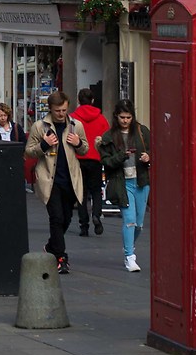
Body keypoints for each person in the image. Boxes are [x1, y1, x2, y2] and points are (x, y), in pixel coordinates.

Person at [24, 90, 92, 275]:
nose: (61, 114)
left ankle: (51, 246)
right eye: (57, 111)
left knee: (68, 218)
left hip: (71, 180)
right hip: (49, 179)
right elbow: (29, 151)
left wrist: (78, 143)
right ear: (50, 110)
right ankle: (60, 257)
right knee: (56, 218)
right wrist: (44, 145)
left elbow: (85, 149)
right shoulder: (40, 127)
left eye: (63, 110)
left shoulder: (75, 126)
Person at [103, 103, 153, 272]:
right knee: (129, 220)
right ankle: (129, 256)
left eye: (128, 117)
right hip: (122, 182)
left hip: (141, 181)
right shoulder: (109, 136)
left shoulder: (142, 131)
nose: (125, 121)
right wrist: (121, 156)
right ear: (116, 116)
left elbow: (156, 149)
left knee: (138, 224)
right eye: (122, 117)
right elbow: (106, 161)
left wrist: (149, 156)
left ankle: (129, 245)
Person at [70, 86, 110, 236]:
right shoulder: (101, 118)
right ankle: (96, 214)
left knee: (81, 192)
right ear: (93, 100)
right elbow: (106, 138)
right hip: (95, 158)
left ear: (79, 101)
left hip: (79, 158)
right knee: (96, 191)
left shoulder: (73, 118)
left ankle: (83, 225)